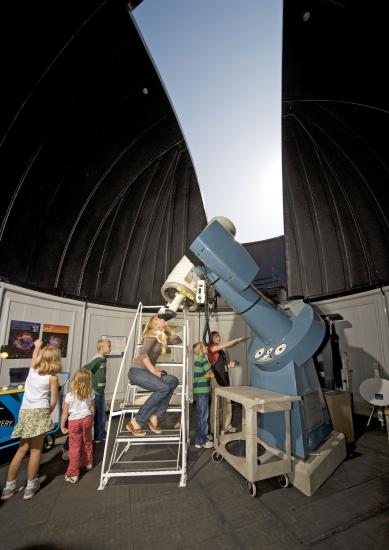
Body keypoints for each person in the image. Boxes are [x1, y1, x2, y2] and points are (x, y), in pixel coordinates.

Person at [1, 340, 61, 501]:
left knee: (21, 449)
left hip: (26, 412)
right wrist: (47, 413)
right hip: (40, 412)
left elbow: (34, 359)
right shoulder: (52, 378)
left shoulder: (32, 371)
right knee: (36, 450)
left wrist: (37, 346)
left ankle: (9, 487)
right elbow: (53, 401)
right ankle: (31, 485)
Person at [127, 315, 181, 436]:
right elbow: (143, 354)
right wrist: (154, 371)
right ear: (155, 320)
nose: (165, 320)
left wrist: (169, 330)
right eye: (162, 319)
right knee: (164, 388)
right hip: (137, 371)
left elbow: (178, 340)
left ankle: (155, 416)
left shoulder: (161, 337)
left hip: (146, 372)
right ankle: (136, 422)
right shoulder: (151, 334)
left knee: (173, 381)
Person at [208, 331, 248, 434]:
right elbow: (227, 344)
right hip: (217, 380)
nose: (219, 338)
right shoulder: (211, 349)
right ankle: (214, 428)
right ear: (212, 338)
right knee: (217, 405)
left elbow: (222, 367)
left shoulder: (221, 351)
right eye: (216, 337)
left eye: (219, 336)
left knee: (228, 403)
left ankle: (226, 426)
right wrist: (237, 340)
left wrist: (229, 366)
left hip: (224, 379)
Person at [61, 369, 95, 484]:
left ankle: (73, 474)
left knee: (74, 448)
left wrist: (62, 426)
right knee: (87, 441)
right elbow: (92, 409)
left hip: (74, 422)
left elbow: (65, 413)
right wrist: (91, 420)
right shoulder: (91, 393)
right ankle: (88, 462)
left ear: (75, 381)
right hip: (87, 419)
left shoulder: (69, 396)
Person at [84, 338, 111, 443]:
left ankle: (100, 434)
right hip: (97, 391)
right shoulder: (98, 359)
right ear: (102, 347)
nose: (110, 348)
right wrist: (90, 384)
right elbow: (86, 368)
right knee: (100, 415)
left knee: (100, 414)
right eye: (108, 345)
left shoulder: (103, 359)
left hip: (100, 390)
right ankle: (100, 436)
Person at [193, 342, 214, 449]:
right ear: (201, 349)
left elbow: (200, 376)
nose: (207, 348)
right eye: (205, 346)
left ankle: (198, 439)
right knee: (204, 417)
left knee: (200, 416)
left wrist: (207, 375)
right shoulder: (203, 360)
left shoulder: (197, 360)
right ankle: (203, 440)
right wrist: (209, 375)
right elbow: (211, 374)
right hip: (203, 391)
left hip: (199, 391)